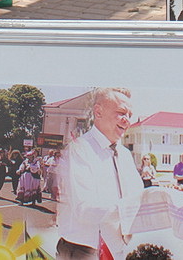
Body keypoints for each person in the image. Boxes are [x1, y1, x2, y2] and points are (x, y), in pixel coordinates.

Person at [56, 87, 142, 259]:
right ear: (98, 111)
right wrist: (127, 210)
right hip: (83, 251)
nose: (127, 121)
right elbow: (84, 209)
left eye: (130, 115)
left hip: (117, 249)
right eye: (121, 113)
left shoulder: (125, 155)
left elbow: (137, 197)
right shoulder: (79, 149)